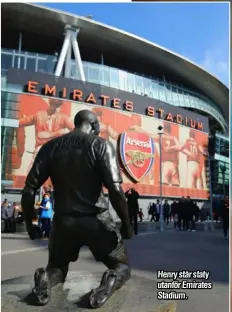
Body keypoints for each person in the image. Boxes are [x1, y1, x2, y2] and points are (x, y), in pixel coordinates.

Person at [21, 109, 133, 309]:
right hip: (96, 221)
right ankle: (111, 279)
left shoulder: (50, 147)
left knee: (56, 267)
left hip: (64, 222)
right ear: (95, 125)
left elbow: (29, 189)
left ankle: (45, 279)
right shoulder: (100, 145)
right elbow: (115, 189)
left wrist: (30, 223)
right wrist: (126, 224)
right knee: (121, 265)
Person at [19, 98, 74, 172]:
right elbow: (20, 122)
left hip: (56, 150)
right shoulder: (39, 115)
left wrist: (51, 134)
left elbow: (74, 131)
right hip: (41, 148)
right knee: (34, 171)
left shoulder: (64, 118)